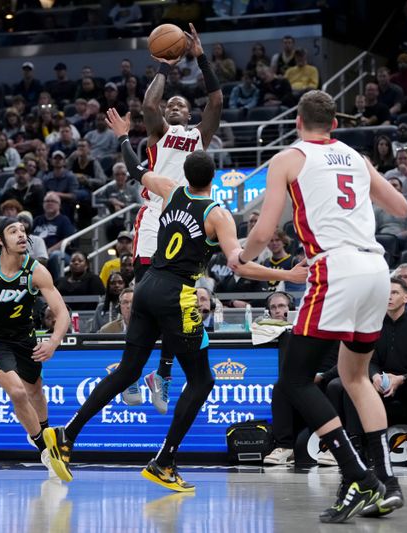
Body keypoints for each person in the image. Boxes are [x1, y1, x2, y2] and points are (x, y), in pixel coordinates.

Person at [42, 109, 306, 492]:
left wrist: (121, 137)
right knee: (202, 382)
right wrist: (287, 275)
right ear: (212, 177)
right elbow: (241, 266)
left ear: (187, 174)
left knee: (128, 370)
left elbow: (136, 170)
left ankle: (67, 435)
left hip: (146, 284)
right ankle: (164, 461)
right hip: (177, 295)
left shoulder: (170, 191)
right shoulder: (218, 214)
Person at [229, 90, 407, 522]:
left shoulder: (289, 158)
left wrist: (243, 256)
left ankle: (359, 477)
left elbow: (267, 225)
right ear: (334, 122)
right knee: (355, 376)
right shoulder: (354, 155)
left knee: (293, 379)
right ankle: (386, 481)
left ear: (297, 121)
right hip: (375, 269)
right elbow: (402, 209)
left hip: (335, 267)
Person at [128, 23, 224, 414]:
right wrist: (166, 65)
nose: (173, 107)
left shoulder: (200, 136)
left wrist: (201, 57)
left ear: (190, 112)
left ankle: (162, 372)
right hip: (155, 217)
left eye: (181, 105)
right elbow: (150, 105)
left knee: (177, 305)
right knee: (145, 302)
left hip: (189, 222)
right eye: (171, 105)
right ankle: (135, 371)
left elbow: (215, 100)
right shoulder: (159, 133)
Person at [0, 217, 71, 477]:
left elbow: (62, 312)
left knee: (36, 391)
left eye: (23, 230)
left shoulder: (37, 271)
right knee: (18, 392)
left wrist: (53, 342)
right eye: (13, 231)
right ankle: (45, 449)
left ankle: (42, 432)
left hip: (25, 338)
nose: (21, 235)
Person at [327, 278, 407, 469]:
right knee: (354, 384)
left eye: (394, 293)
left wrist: (401, 379)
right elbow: (367, 360)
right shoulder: (373, 324)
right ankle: (357, 445)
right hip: (378, 380)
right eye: (386, 293)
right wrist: (375, 376)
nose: (389, 297)